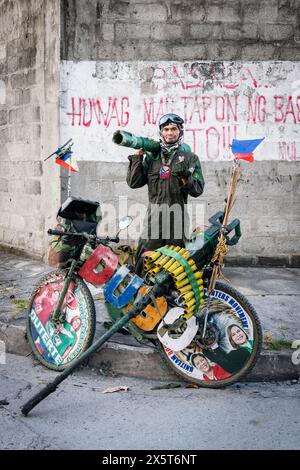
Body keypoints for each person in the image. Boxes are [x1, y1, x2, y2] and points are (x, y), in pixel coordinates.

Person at [126, 113, 205, 273]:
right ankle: (141, 294)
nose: (170, 133)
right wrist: (137, 158)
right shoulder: (152, 157)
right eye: (166, 129)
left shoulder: (190, 158)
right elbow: (134, 183)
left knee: (176, 262)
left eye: (174, 129)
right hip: (154, 217)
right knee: (145, 256)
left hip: (178, 218)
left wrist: (185, 177)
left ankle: (172, 297)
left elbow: (197, 190)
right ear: (161, 132)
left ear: (180, 131)